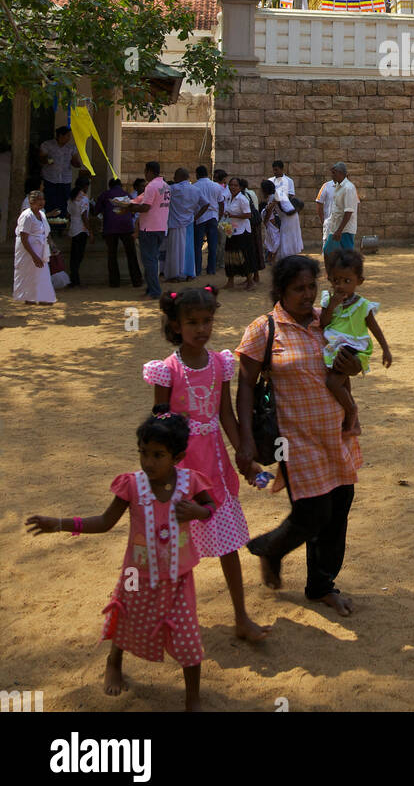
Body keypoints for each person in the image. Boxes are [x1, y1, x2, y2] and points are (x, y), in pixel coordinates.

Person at [26, 408, 215, 710]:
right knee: (126, 620)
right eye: (143, 453)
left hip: (179, 577)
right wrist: (59, 523)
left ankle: (193, 697)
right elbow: (104, 521)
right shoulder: (131, 485)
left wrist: (198, 512)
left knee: (189, 638)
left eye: (158, 455)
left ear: (177, 457)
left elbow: (210, 506)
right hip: (135, 574)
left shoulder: (190, 482)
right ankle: (114, 661)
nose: (148, 462)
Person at [236, 254, 362, 615]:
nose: (307, 295)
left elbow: (348, 366)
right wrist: (245, 439)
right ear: (280, 291)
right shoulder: (263, 329)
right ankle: (269, 547)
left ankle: (321, 585)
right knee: (312, 513)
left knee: (338, 509)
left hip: (335, 431)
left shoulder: (330, 321)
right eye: (298, 289)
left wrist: (353, 367)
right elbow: (245, 384)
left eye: (312, 287)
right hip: (293, 439)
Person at [144, 287, 270, 643]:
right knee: (174, 550)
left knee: (228, 544)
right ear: (176, 325)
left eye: (207, 321)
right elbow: (160, 425)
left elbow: (225, 414)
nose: (202, 329)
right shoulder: (166, 371)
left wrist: (243, 454)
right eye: (192, 322)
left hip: (213, 468)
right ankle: (166, 618)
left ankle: (241, 617)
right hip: (180, 471)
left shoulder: (220, 364)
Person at [320, 251, 392, 433]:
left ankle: (352, 410)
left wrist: (386, 349)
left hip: (353, 347)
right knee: (342, 382)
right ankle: (351, 415)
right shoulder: (329, 300)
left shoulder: (362, 305)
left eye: (347, 281)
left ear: (359, 281)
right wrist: (331, 306)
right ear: (330, 279)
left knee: (333, 383)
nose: (340, 286)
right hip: (335, 346)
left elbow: (375, 328)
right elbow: (323, 322)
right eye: (336, 281)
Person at [126, 162, 171, 301]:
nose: (145, 174)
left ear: (150, 171)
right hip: (160, 227)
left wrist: (130, 208)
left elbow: (145, 207)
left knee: (149, 261)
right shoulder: (165, 185)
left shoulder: (151, 186)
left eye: (145, 171)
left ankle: (154, 291)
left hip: (149, 228)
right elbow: (142, 198)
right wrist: (131, 202)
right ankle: (150, 289)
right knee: (151, 260)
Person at [93, 178, 142, 288]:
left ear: (109, 186)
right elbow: (133, 212)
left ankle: (114, 282)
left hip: (110, 228)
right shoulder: (127, 195)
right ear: (121, 186)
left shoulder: (105, 195)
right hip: (126, 227)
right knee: (131, 254)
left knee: (112, 255)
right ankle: (137, 280)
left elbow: (96, 211)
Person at [13, 188, 56, 304]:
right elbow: (23, 237)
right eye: (38, 200)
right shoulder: (26, 216)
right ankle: (29, 297)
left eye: (42, 199)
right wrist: (34, 256)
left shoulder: (42, 214)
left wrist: (50, 245)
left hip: (40, 248)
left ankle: (43, 297)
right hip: (28, 250)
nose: (41, 202)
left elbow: (45, 232)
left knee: (42, 273)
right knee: (28, 273)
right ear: (31, 202)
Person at [38, 126, 83, 216]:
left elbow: (75, 160)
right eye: (67, 136)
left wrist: (78, 164)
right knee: (50, 201)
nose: (69, 138)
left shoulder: (71, 148)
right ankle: (50, 223)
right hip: (50, 178)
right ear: (60, 136)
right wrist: (47, 160)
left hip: (65, 180)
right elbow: (41, 158)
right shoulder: (47, 145)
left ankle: (61, 223)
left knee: (63, 202)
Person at [323, 162, 359, 268]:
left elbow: (348, 212)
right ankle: (331, 274)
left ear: (340, 173)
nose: (332, 175)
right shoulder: (339, 186)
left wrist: (340, 230)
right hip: (336, 228)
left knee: (347, 256)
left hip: (345, 229)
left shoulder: (348, 188)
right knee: (327, 251)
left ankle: (350, 274)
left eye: (334, 173)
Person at [223, 177, 257, 291]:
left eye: (235, 185)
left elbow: (248, 215)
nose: (233, 187)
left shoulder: (242, 199)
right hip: (231, 229)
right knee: (229, 255)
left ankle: (250, 281)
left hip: (242, 231)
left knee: (243, 256)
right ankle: (230, 281)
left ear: (240, 187)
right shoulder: (228, 198)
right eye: (231, 185)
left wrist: (233, 216)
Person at [165, 168, 198, 283]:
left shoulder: (172, 189)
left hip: (175, 223)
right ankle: (189, 273)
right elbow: (206, 204)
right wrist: (195, 217)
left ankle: (174, 275)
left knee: (174, 249)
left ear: (178, 177)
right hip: (189, 222)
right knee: (189, 249)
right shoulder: (195, 189)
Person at [192, 165, 224, 278]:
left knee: (197, 245)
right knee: (213, 245)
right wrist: (219, 215)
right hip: (213, 216)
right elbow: (221, 202)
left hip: (200, 217)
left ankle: (197, 269)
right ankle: (211, 269)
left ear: (197, 174)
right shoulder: (216, 186)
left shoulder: (195, 186)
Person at [67, 176, 93, 288]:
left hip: (73, 228)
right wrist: (90, 231)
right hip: (81, 229)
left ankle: (74, 278)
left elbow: (68, 214)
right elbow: (84, 216)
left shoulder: (72, 197)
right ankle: (75, 279)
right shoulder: (84, 198)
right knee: (79, 256)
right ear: (85, 186)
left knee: (74, 256)